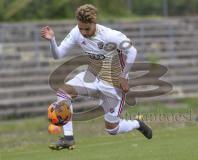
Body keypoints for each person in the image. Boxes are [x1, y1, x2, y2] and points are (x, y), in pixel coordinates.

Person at [41, 4, 152, 150]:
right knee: (63, 91)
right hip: (93, 77)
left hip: (113, 84)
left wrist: (124, 77)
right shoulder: (76, 32)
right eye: (81, 28)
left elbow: (132, 51)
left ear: (94, 23)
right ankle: (68, 138)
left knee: (112, 129)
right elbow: (58, 55)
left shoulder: (110, 35)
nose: (84, 32)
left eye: (87, 29)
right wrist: (52, 40)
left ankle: (137, 124)